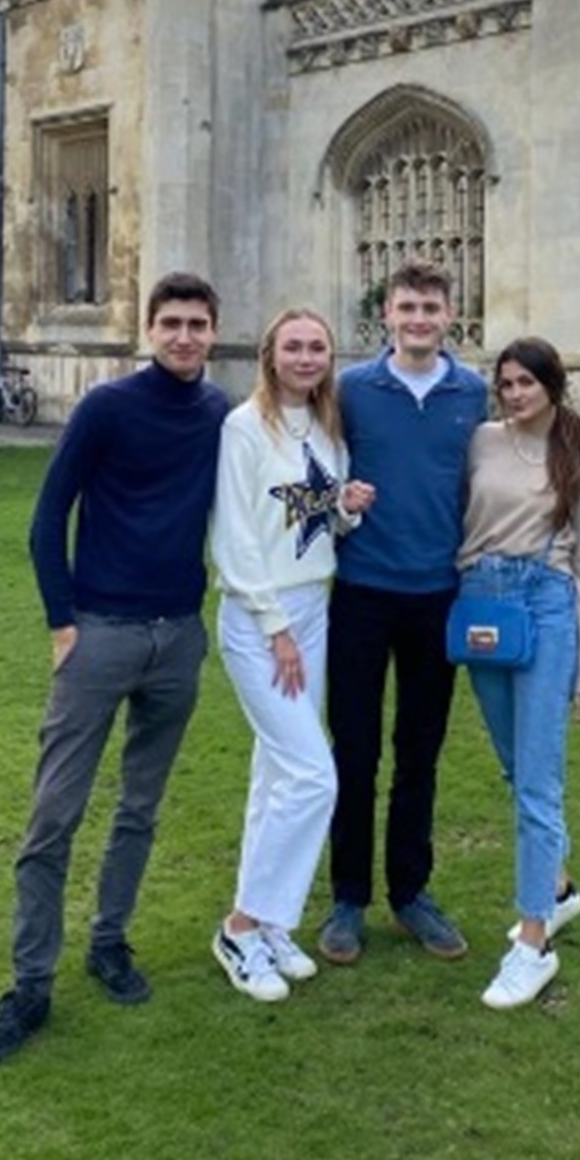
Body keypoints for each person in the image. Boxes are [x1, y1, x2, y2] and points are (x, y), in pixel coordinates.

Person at [0, 272, 230, 1065]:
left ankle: (108, 942)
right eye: (171, 323)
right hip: (100, 634)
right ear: (147, 329)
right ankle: (30, 984)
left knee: (140, 808)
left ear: (214, 332)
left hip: (178, 636)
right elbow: (49, 516)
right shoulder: (107, 408)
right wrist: (61, 622)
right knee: (54, 815)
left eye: (197, 324)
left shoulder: (223, 415)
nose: (184, 337)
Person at [318, 259, 488, 965]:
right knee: (354, 752)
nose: (418, 319)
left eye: (430, 308)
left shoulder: (470, 392)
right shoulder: (352, 390)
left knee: (419, 754)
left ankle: (410, 893)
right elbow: (318, 475)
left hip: (436, 596)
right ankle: (348, 899)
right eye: (406, 307)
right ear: (384, 314)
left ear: (450, 316)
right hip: (361, 591)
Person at [210, 308, 376, 1000]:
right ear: (269, 355)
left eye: (317, 347)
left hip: (315, 605)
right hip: (261, 619)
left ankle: (272, 924)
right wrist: (274, 626)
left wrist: (347, 508)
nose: (306, 358)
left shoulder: (327, 427)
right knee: (315, 776)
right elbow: (237, 535)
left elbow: (313, 522)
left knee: (277, 775)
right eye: (294, 347)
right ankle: (241, 926)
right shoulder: (245, 427)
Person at [456, 336, 580, 1011]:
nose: (513, 394)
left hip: (544, 609)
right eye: (505, 383)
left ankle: (532, 944)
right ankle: (558, 887)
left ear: (552, 385)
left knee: (540, 778)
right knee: (516, 768)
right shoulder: (482, 443)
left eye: (524, 383)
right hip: (481, 606)